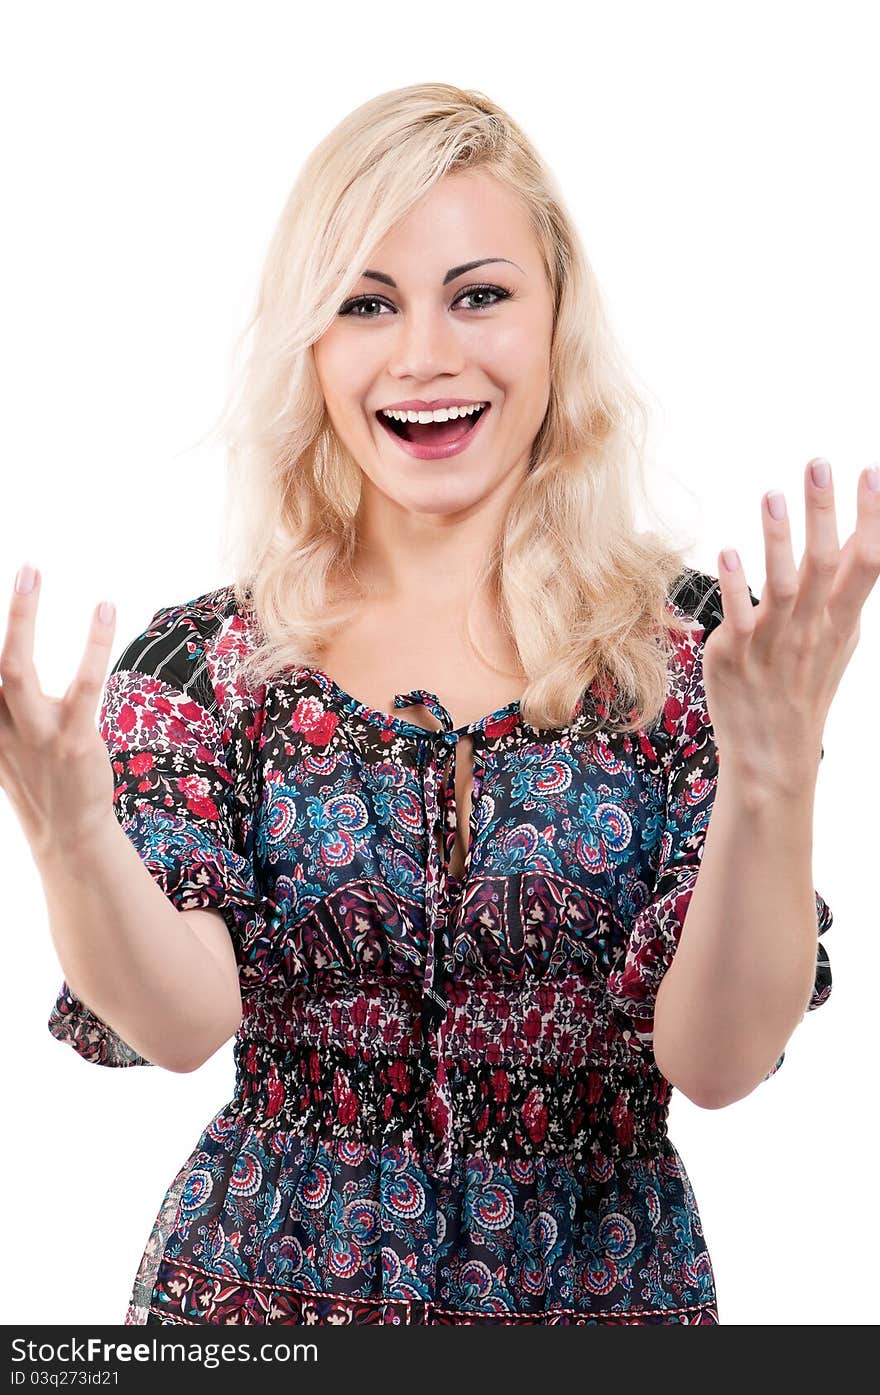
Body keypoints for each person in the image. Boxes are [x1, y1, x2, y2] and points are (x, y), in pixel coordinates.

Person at [3, 82, 875, 1327]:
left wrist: (779, 772)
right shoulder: (212, 662)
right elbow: (181, 1023)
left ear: (556, 318)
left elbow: (721, 1061)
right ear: (308, 342)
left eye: (480, 294)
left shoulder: (689, 655)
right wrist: (67, 831)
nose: (425, 355)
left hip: (597, 1304)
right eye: (366, 304)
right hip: (256, 1312)